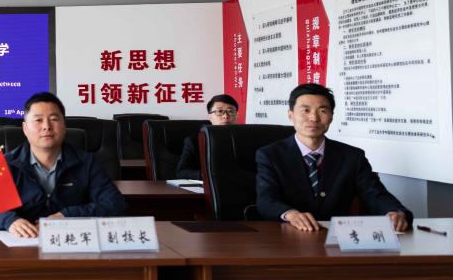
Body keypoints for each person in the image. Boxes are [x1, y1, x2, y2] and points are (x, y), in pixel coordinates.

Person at [0, 91, 127, 238]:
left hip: (71, 242)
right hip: (22, 242)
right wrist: (10, 221)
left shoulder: (87, 162)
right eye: (38, 120)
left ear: (64, 126)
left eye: (54, 119)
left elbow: (115, 204)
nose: (46, 126)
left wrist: (68, 215)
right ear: (25, 128)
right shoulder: (3, 164)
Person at [256, 83, 411, 232]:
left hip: (336, 237)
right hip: (286, 236)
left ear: (331, 117)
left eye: (322, 110)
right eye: (305, 110)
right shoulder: (270, 155)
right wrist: (291, 214)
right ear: (290, 115)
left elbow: (374, 194)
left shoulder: (352, 157)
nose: (314, 118)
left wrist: (393, 212)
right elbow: (266, 199)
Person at [175, 93, 239, 179]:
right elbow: (182, 172)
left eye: (230, 111)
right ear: (210, 117)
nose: (225, 116)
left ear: (237, 115)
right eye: (219, 111)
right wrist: (209, 176)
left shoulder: (245, 138)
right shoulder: (195, 140)